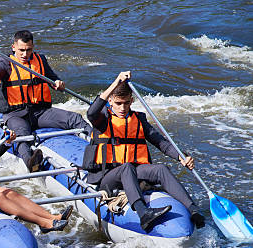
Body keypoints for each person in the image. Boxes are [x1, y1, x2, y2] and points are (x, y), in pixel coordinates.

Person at [84, 71, 205, 231]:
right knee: (126, 167)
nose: (122, 108)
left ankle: (193, 209)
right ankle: (143, 214)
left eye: (126, 103)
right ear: (111, 100)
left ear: (132, 101)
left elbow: (161, 143)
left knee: (161, 169)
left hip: (134, 171)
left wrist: (181, 157)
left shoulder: (138, 120)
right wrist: (116, 82)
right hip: (109, 177)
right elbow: (91, 113)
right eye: (118, 103)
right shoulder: (103, 120)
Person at [0, 30, 93, 172]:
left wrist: (58, 83)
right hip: (15, 114)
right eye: (21, 50)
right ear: (13, 47)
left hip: (40, 112)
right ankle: (31, 162)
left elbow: (53, 78)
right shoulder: (4, 62)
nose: (24, 54)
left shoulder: (40, 60)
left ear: (33, 47)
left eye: (28, 50)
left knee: (74, 118)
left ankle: (99, 142)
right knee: (22, 134)